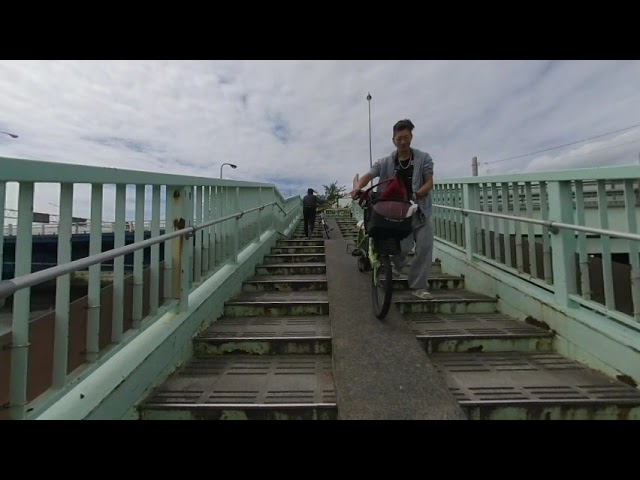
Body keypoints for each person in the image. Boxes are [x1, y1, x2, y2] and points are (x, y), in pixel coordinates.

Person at [350, 119, 434, 300]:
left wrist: (418, 194)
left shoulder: (423, 158)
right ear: (393, 140)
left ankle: (419, 286)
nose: (403, 141)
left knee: (424, 248)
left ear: (411, 137)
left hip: (419, 209)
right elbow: (369, 175)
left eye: (406, 137)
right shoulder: (386, 161)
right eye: (399, 138)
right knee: (401, 247)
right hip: (396, 212)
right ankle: (394, 268)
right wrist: (358, 187)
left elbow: (429, 182)